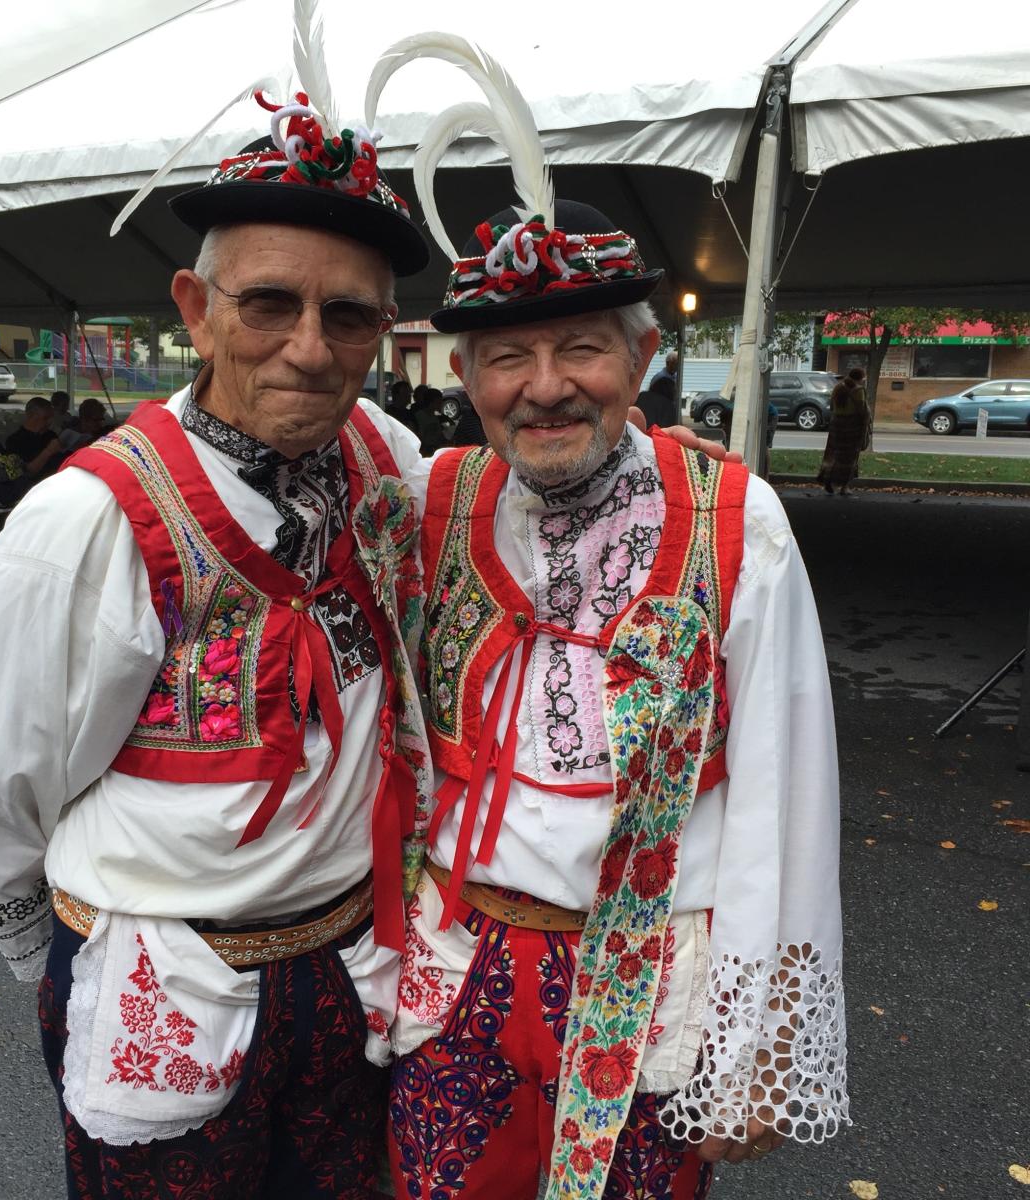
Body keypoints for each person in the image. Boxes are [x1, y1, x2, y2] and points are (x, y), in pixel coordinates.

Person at [0, 50, 438, 1198]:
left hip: (348, 969)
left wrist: (659, 463)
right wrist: (57, 954)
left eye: (346, 315)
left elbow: (519, 508)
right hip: (155, 971)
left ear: (382, 332)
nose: (309, 346)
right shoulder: (84, 524)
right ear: (197, 312)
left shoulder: (388, 460)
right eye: (269, 303)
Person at [376, 42, 848, 1200]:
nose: (544, 385)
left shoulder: (737, 520)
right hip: (458, 969)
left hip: (649, 979)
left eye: (581, 346)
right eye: (507, 356)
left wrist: (755, 1046)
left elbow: (785, 794)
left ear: (641, 356)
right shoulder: (434, 495)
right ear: (465, 373)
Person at [817, 367, 869, 496]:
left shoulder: (838, 387)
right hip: (852, 427)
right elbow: (862, 410)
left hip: (836, 425)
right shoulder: (858, 390)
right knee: (849, 457)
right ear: (860, 378)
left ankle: (828, 479)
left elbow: (832, 406)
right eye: (863, 377)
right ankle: (844, 487)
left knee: (833, 454)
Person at [4, 395, 67, 480]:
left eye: (51, 418)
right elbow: (25, 472)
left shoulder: (51, 435)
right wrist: (48, 451)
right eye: (46, 418)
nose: (50, 422)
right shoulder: (14, 441)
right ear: (33, 417)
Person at [412, 385, 447, 455]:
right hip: (424, 452)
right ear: (431, 402)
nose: (441, 404)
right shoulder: (419, 416)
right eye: (439, 402)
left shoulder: (435, 417)